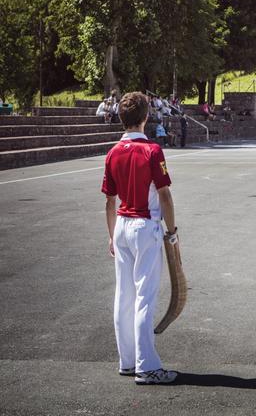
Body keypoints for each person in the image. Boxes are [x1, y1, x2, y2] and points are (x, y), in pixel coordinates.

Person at [101, 91, 178, 385]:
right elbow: (165, 196)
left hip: (121, 225)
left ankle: (128, 361)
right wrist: (172, 232)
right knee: (144, 296)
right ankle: (147, 366)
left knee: (124, 296)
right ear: (146, 117)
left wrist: (111, 236)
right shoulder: (152, 151)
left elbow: (110, 201)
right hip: (144, 226)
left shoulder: (113, 153)